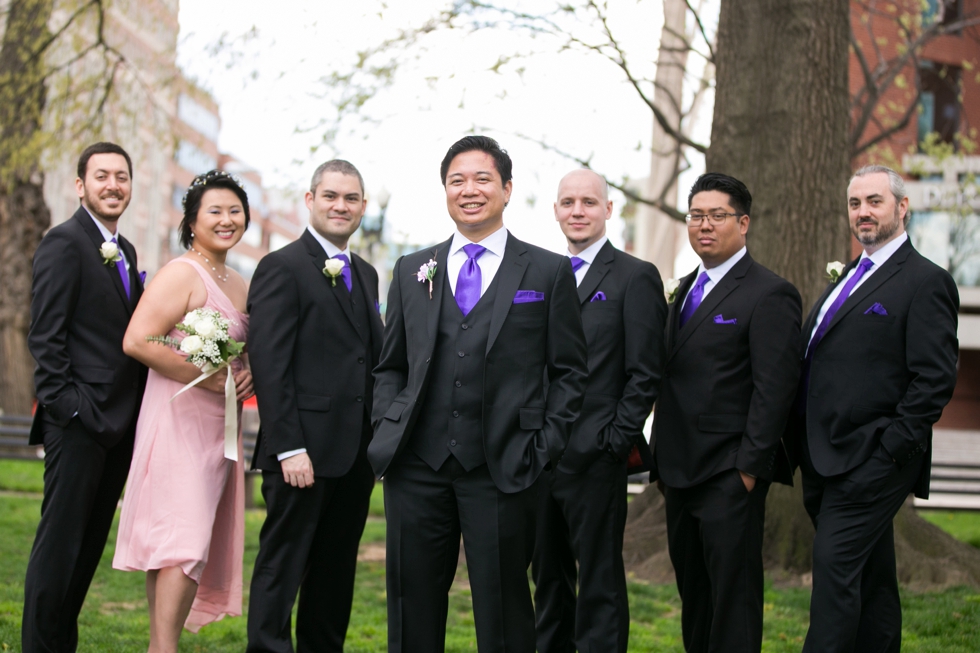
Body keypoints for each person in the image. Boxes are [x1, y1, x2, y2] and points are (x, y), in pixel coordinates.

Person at [369, 135, 588, 653]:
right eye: (457, 181)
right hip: (417, 467)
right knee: (411, 606)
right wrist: (388, 423)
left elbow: (570, 372)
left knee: (506, 611)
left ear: (507, 189)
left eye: (482, 179)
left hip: (504, 468)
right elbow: (391, 364)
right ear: (445, 190)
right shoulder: (410, 268)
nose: (469, 190)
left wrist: (543, 446)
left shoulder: (547, 271)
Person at [791, 165, 958, 652]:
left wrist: (890, 453)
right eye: (855, 203)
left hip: (871, 460)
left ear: (901, 208)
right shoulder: (847, 276)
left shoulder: (926, 281)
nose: (863, 212)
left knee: (834, 572)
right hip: (822, 459)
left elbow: (934, 378)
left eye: (874, 201)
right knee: (872, 580)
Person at [653, 172, 801, 653]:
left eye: (717, 216)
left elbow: (774, 389)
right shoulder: (684, 289)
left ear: (744, 223)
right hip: (678, 472)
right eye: (697, 215)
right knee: (695, 597)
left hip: (728, 474)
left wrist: (748, 470)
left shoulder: (769, 293)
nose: (704, 225)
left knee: (732, 602)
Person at [112, 169, 254, 652]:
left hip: (219, 428)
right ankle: (163, 648)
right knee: (186, 538)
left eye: (235, 211)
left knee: (184, 541)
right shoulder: (181, 273)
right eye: (214, 211)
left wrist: (245, 368)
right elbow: (137, 340)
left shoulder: (238, 280)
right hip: (178, 419)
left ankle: (159, 645)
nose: (226, 219)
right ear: (192, 222)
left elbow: (240, 346)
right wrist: (201, 371)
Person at [245, 160, 382, 653]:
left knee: (334, 576)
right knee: (282, 569)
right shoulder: (280, 267)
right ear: (310, 200)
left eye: (350, 199)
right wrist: (288, 447)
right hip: (300, 456)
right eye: (330, 196)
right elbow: (269, 364)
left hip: (353, 458)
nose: (340, 206)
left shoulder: (365, 275)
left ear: (363, 207)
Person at [531, 169, 666, 653]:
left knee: (600, 583)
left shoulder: (635, 277)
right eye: (568, 202)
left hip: (597, 456)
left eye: (589, 202)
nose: (577, 211)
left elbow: (645, 371)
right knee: (548, 579)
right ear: (556, 211)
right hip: (539, 456)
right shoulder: (541, 274)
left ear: (609, 210)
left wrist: (613, 441)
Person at [22, 142, 147, 653]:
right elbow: (44, 338)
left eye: (121, 176)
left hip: (117, 428)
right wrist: (69, 407)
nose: (113, 185)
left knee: (86, 550)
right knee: (58, 551)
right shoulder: (63, 242)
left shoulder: (127, 250)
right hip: (78, 423)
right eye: (102, 176)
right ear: (81, 185)